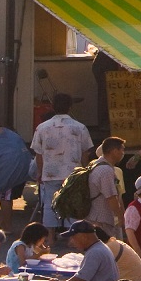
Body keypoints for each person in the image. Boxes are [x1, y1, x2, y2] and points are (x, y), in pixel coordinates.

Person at [31, 94, 93, 228]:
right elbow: (85, 153)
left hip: (50, 172)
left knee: (49, 204)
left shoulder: (42, 128)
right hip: (73, 174)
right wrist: (84, 171)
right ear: (70, 107)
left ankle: (51, 237)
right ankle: (72, 237)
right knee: (72, 204)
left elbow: (39, 154)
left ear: (52, 107)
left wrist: (40, 172)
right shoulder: (80, 127)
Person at [55, 220, 119, 281]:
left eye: (73, 238)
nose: (71, 242)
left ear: (83, 237)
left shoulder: (95, 252)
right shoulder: (100, 247)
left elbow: (82, 277)